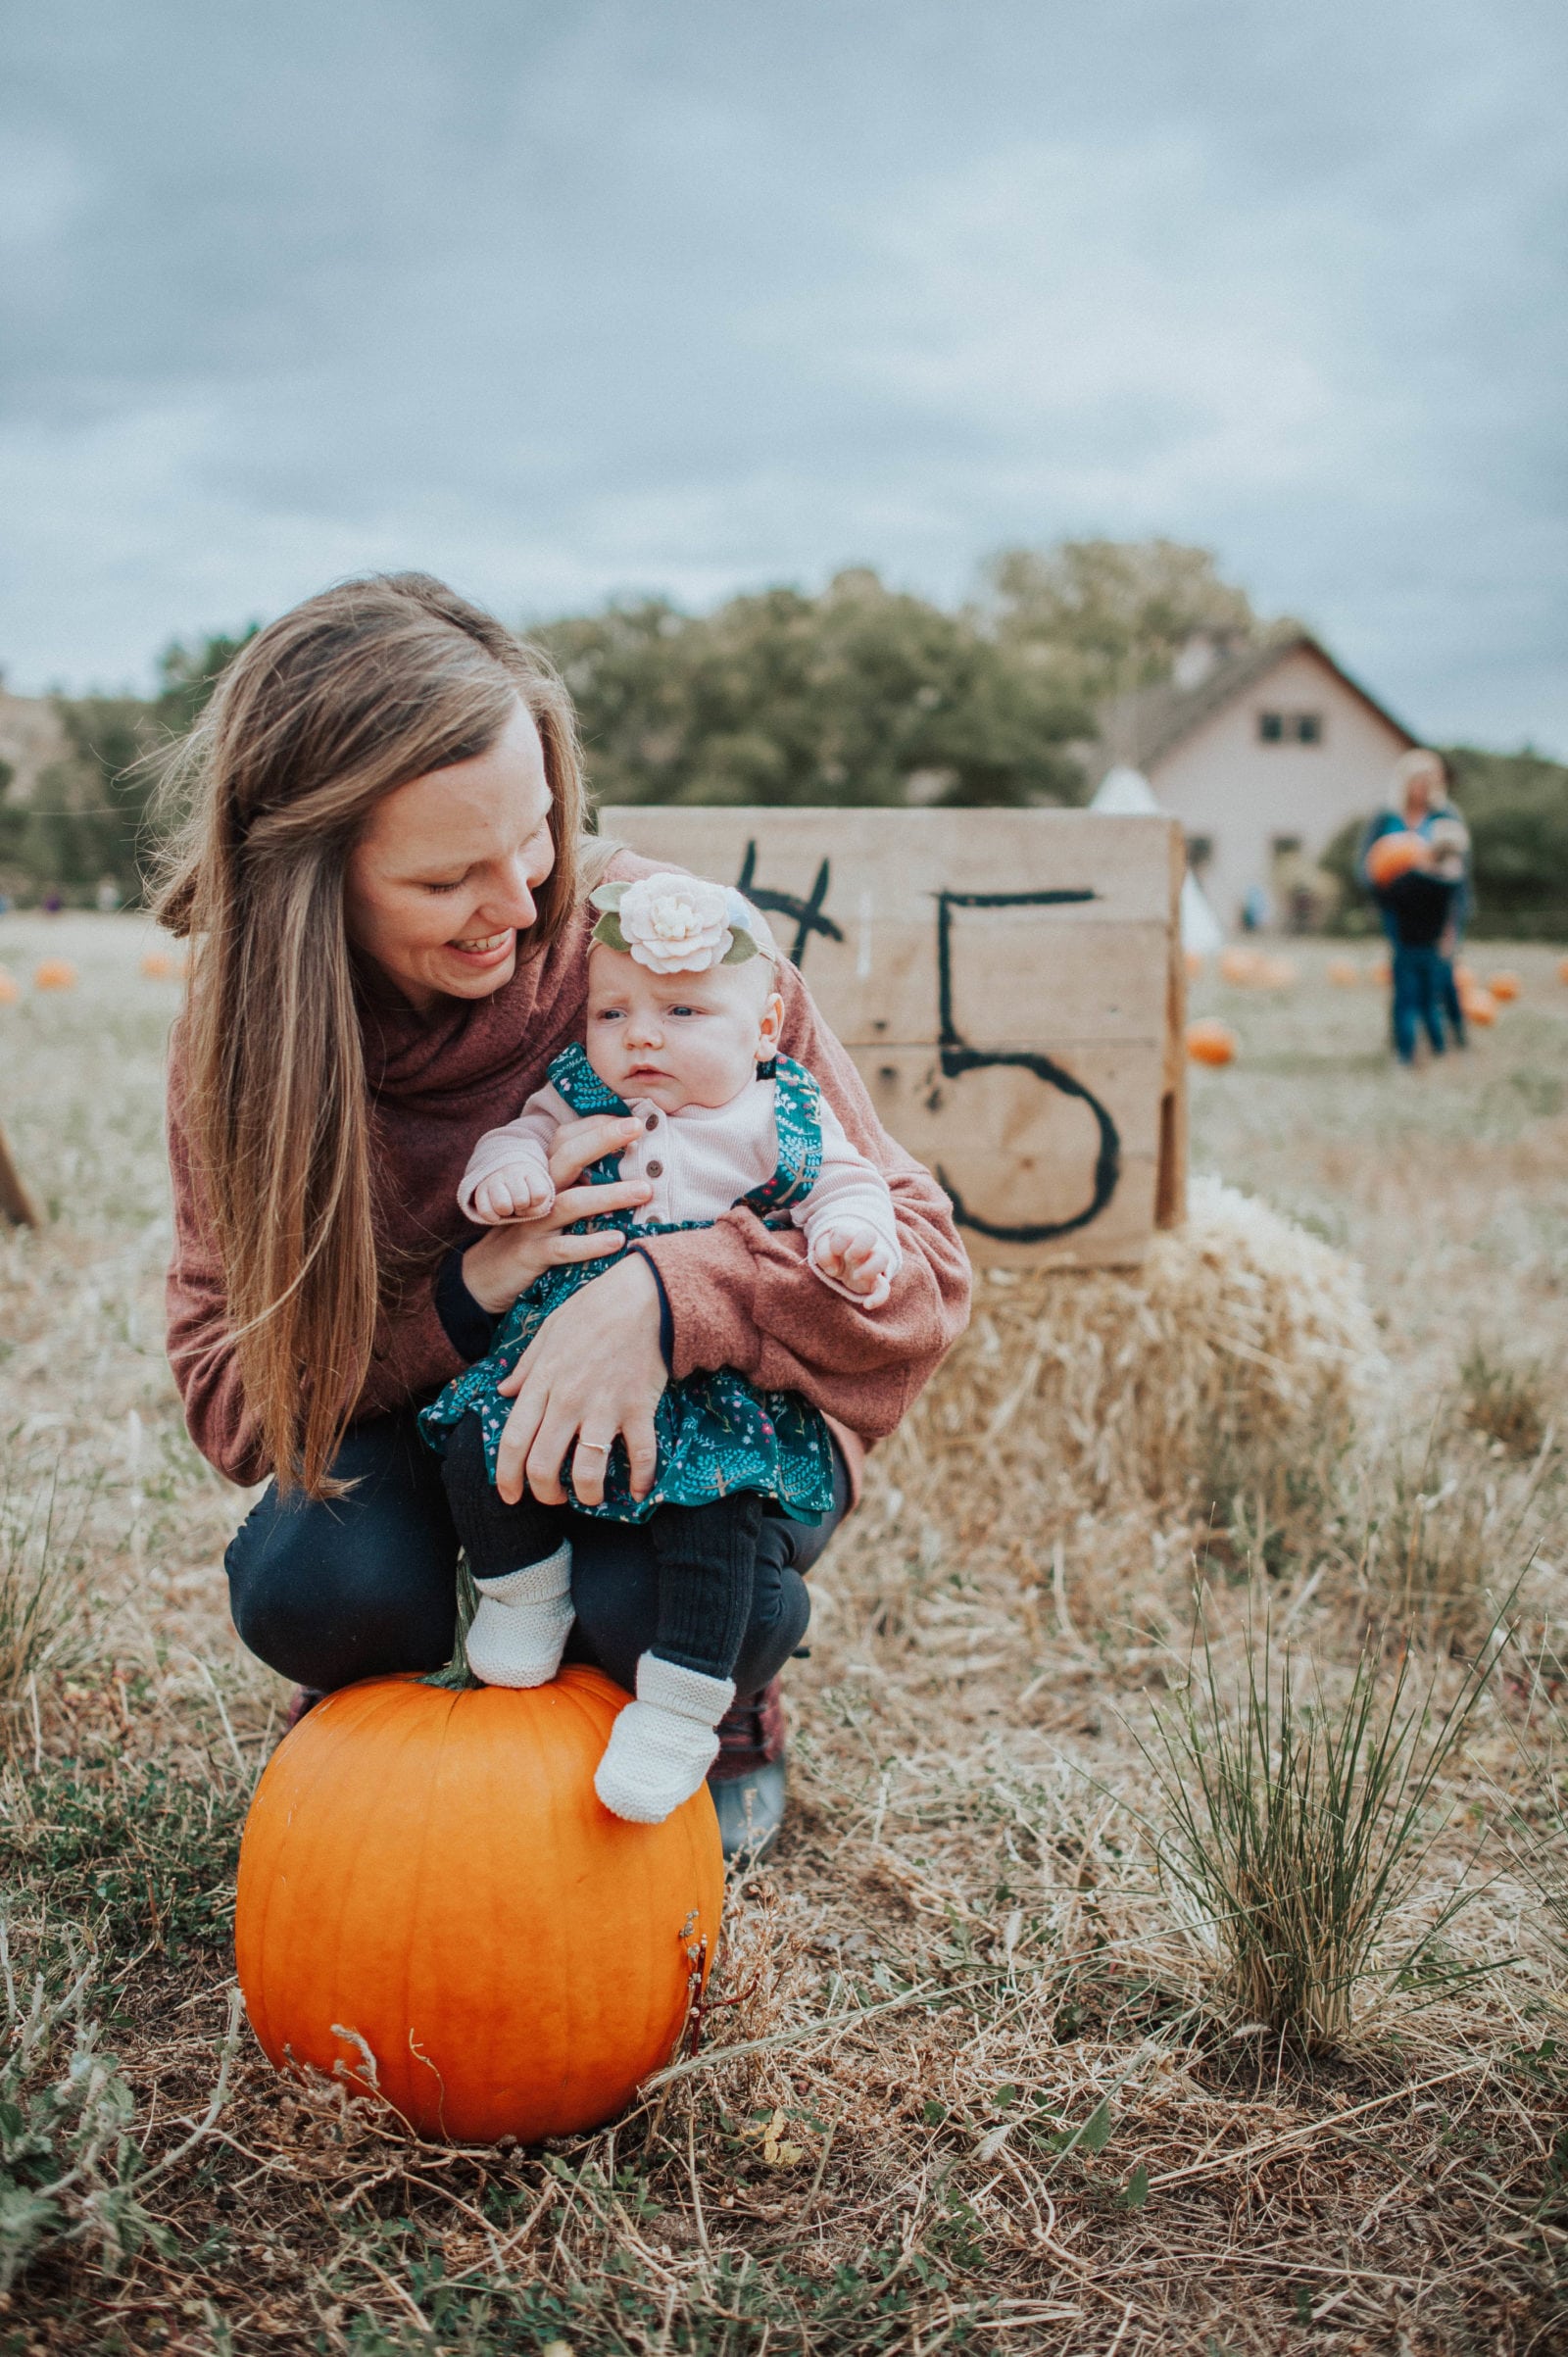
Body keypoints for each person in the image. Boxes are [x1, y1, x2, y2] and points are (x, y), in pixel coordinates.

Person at [155, 574, 969, 1858]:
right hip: (447, 1432)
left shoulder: (672, 949)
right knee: (324, 1586)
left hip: (715, 1429)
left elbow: (923, 1277)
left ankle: (724, 1701)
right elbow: (229, 1397)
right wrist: (474, 1293)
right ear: (317, 883)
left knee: (666, 1605)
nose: (527, 901)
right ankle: (396, 1687)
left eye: (535, 836)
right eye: (447, 880)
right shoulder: (249, 1046)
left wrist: (667, 1301)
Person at [423, 869, 901, 1821]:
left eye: (681, 1009)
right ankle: (527, 1591)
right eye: (614, 1011)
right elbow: (513, 1138)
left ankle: (685, 1708)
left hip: (709, 1391)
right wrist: (507, 1174)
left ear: (763, 1030)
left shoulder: (776, 1119)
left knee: (712, 1526)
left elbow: (853, 1186)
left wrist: (854, 1238)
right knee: (480, 1444)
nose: (641, 1035)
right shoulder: (576, 1096)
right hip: (559, 1364)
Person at [1360, 748, 1471, 1050]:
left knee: (1442, 976)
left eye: (1428, 781)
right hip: (1399, 909)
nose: (1422, 788)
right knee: (1404, 978)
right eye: (1416, 781)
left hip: (1438, 911)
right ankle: (1402, 1042)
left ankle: (1454, 1036)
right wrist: (1383, 894)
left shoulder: (1445, 816)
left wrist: (1455, 919)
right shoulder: (1386, 817)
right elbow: (1369, 865)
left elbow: (1459, 875)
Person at [1376, 818, 1468, 1066]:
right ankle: (1438, 1047)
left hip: (1407, 951)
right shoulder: (1447, 885)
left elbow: (1385, 895)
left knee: (1407, 1004)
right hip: (1432, 951)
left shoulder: (1406, 881)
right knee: (1430, 1004)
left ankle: (1405, 1055)